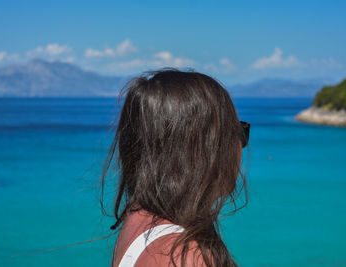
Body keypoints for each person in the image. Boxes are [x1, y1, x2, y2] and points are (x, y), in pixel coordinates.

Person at [100, 68, 250, 267]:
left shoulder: (139, 218)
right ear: (206, 148)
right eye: (239, 131)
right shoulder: (186, 257)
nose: (242, 144)